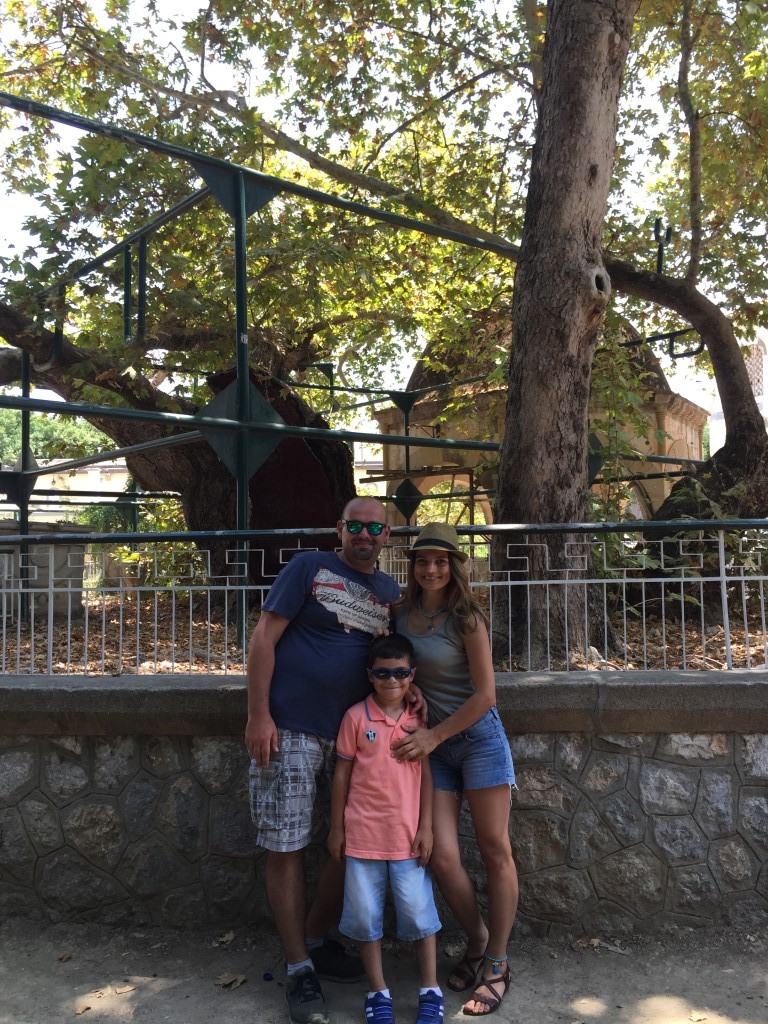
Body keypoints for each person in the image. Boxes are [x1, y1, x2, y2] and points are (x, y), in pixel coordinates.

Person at [245, 497, 402, 1024]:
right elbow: (264, 637)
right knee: (285, 844)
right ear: (340, 529)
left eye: (374, 528)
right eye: (355, 526)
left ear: (386, 536)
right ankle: (298, 970)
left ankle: (314, 941)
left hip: (354, 738)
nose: (364, 535)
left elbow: (394, 661)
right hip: (289, 727)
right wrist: (258, 715)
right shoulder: (308, 567)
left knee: (351, 843)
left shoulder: (389, 593)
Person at [391, 522, 518, 1018]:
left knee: (495, 849)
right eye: (423, 561)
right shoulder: (400, 614)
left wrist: (434, 735)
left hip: (477, 740)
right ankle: (478, 939)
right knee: (441, 856)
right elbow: (398, 667)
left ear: (454, 566)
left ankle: (498, 964)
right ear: (413, 566)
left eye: (441, 561)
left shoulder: (467, 618)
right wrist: (412, 691)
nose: (431, 569)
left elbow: (486, 695)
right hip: (435, 748)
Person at [328, 634, 443, 1024]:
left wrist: (427, 827)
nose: (391, 680)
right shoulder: (355, 718)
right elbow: (342, 775)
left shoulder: (419, 721)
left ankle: (430, 989)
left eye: (400, 673)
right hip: (362, 837)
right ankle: (378, 992)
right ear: (370, 675)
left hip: (408, 838)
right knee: (364, 917)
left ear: (412, 674)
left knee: (419, 912)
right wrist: (336, 828)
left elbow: (427, 777)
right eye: (382, 673)